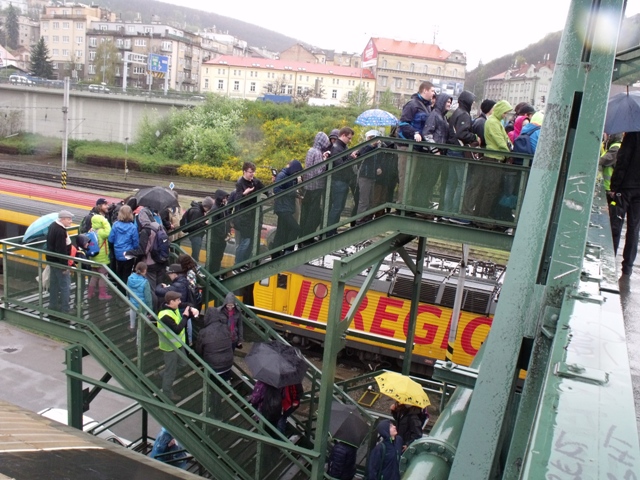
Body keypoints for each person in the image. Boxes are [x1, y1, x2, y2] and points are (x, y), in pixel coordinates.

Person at [397, 82, 436, 202]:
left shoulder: (427, 107)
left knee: (413, 177)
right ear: (425, 90)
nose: (434, 93)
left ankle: (408, 202)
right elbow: (403, 123)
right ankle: (402, 203)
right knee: (406, 176)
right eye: (432, 90)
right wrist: (415, 132)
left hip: (417, 147)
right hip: (407, 146)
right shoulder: (412, 104)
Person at [444, 90, 479, 225]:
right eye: (472, 101)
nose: (473, 103)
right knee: (462, 183)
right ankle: (455, 212)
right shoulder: (464, 114)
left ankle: (446, 212)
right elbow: (462, 134)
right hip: (458, 151)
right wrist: (475, 137)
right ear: (467, 101)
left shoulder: (456, 112)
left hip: (451, 149)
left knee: (450, 182)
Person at [157, 291, 199, 402]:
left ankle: (162, 373)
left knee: (183, 363)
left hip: (178, 344)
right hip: (170, 347)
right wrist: (185, 316)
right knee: (170, 373)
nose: (180, 302)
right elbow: (177, 329)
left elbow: (187, 304)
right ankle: (167, 393)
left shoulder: (172, 308)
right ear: (171, 302)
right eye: (178, 300)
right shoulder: (165, 315)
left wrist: (191, 309)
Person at [609, 131, 640, 276]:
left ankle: (610, 260)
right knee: (634, 228)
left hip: (626, 187)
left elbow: (623, 159)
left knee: (616, 224)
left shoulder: (634, 133)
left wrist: (614, 186)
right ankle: (627, 268)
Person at [476, 100, 513, 222]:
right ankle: (482, 217)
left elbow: (504, 139)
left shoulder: (495, 121)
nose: (505, 115)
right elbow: (500, 141)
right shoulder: (493, 122)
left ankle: (481, 215)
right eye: (505, 112)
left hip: (496, 158)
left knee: (490, 189)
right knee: (490, 190)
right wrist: (509, 153)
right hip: (493, 158)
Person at [421, 93, 454, 213]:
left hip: (439, 154)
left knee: (432, 181)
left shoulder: (443, 116)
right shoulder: (435, 115)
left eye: (450, 102)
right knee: (427, 180)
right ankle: (421, 205)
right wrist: (435, 150)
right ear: (442, 102)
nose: (449, 104)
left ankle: (425, 204)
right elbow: (426, 133)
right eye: (447, 102)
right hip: (432, 155)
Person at [300, 132, 331, 246]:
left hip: (308, 186)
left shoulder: (310, 150)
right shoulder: (318, 153)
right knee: (314, 213)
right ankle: (308, 237)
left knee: (306, 213)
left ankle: (302, 236)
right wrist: (325, 159)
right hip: (316, 186)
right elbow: (318, 171)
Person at [234, 161, 267, 267]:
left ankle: (244, 262)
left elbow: (265, 190)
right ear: (244, 171)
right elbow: (237, 199)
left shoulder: (256, 182)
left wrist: (271, 195)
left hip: (255, 217)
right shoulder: (240, 183)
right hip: (244, 217)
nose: (252, 174)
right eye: (250, 172)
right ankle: (238, 263)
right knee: (246, 241)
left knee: (252, 242)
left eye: (253, 172)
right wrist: (245, 193)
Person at [327, 127, 355, 236]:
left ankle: (333, 230)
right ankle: (329, 231)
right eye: (349, 138)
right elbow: (339, 166)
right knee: (336, 207)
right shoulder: (336, 148)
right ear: (343, 135)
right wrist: (351, 158)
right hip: (338, 181)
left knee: (339, 207)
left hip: (343, 181)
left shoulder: (342, 147)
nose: (350, 140)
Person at [272, 159, 304, 258]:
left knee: (281, 231)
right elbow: (276, 189)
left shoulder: (291, 176)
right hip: (283, 208)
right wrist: (293, 193)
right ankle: (288, 250)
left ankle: (275, 253)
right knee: (295, 228)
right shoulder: (282, 175)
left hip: (287, 207)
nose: (297, 174)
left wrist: (296, 194)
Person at [46, 210, 74, 314]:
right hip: (59, 263)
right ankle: (65, 309)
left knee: (54, 284)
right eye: (69, 219)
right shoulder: (60, 231)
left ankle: (52, 305)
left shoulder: (52, 226)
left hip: (52, 260)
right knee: (65, 286)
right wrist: (64, 266)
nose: (71, 221)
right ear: (62, 219)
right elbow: (61, 250)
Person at [195, 305, 234, 381]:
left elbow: (198, 350)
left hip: (214, 367)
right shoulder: (226, 328)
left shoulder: (203, 332)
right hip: (228, 364)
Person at [354, 130, 384, 224]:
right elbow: (362, 154)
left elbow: (377, 161)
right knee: (364, 200)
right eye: (371, 138)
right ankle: (360, 219)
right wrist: (371, 145)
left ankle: (367, 217)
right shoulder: (365, 147)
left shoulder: (376, 149)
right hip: (364, 175)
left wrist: (379, 167)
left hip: (372, 176)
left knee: (371, 200)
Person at [107, 205, 139, 294]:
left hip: (118, 253)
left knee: (119, 273)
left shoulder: (115, 225)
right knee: (127, 274)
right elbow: (135, 242)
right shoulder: (133, 227)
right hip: (129, 253)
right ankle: (125, 293)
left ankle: (119, 292)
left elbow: (111, 239)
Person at [180, 196, 214, 264]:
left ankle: (193, 265)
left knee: (195, 253)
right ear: (207, 206)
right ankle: (193, 266)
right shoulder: (197, 212)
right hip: (195, 235)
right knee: (195, 254)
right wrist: (205, 223)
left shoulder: (198, 209)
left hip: (195, 235)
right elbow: (194, 226)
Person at [87, 212, 112, 300]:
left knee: (94, 276)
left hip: (93, 257)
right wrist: (105, 221)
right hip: (102, 259)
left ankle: (90, 293)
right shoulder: (101, 232)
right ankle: (102, 294)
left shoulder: (91, 231)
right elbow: (109, 231)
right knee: (103, 276)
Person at [207, 190, 231, 274]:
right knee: (214, 259)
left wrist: (228, 232)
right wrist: (224, 235)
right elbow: (215, 226)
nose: (226, 200)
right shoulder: (215, 209)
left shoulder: (222, 208)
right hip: (216, 240)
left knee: (218, 259)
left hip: (220, 240)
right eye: (224, 198)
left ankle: (216, 274)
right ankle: (213, 274)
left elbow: (226, 222)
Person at [127, 261, 152, 332]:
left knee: (132, 310)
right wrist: (150, 309)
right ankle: (140, 330)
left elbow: (127, 290)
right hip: (142, 303)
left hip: (132, 301)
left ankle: (132, 326)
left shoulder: (130, 278)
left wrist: (129, 298)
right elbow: (148, 297)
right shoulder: (145, 282)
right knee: (143, 315)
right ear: (145, 270)